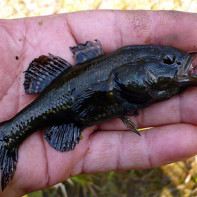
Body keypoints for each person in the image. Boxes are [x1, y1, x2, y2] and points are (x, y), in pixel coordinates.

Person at [0, 10, 197, 196]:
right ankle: (7, 137)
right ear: (135, 66)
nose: (177, 64)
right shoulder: (119, 82)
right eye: (169, 60)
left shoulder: (133, 83)